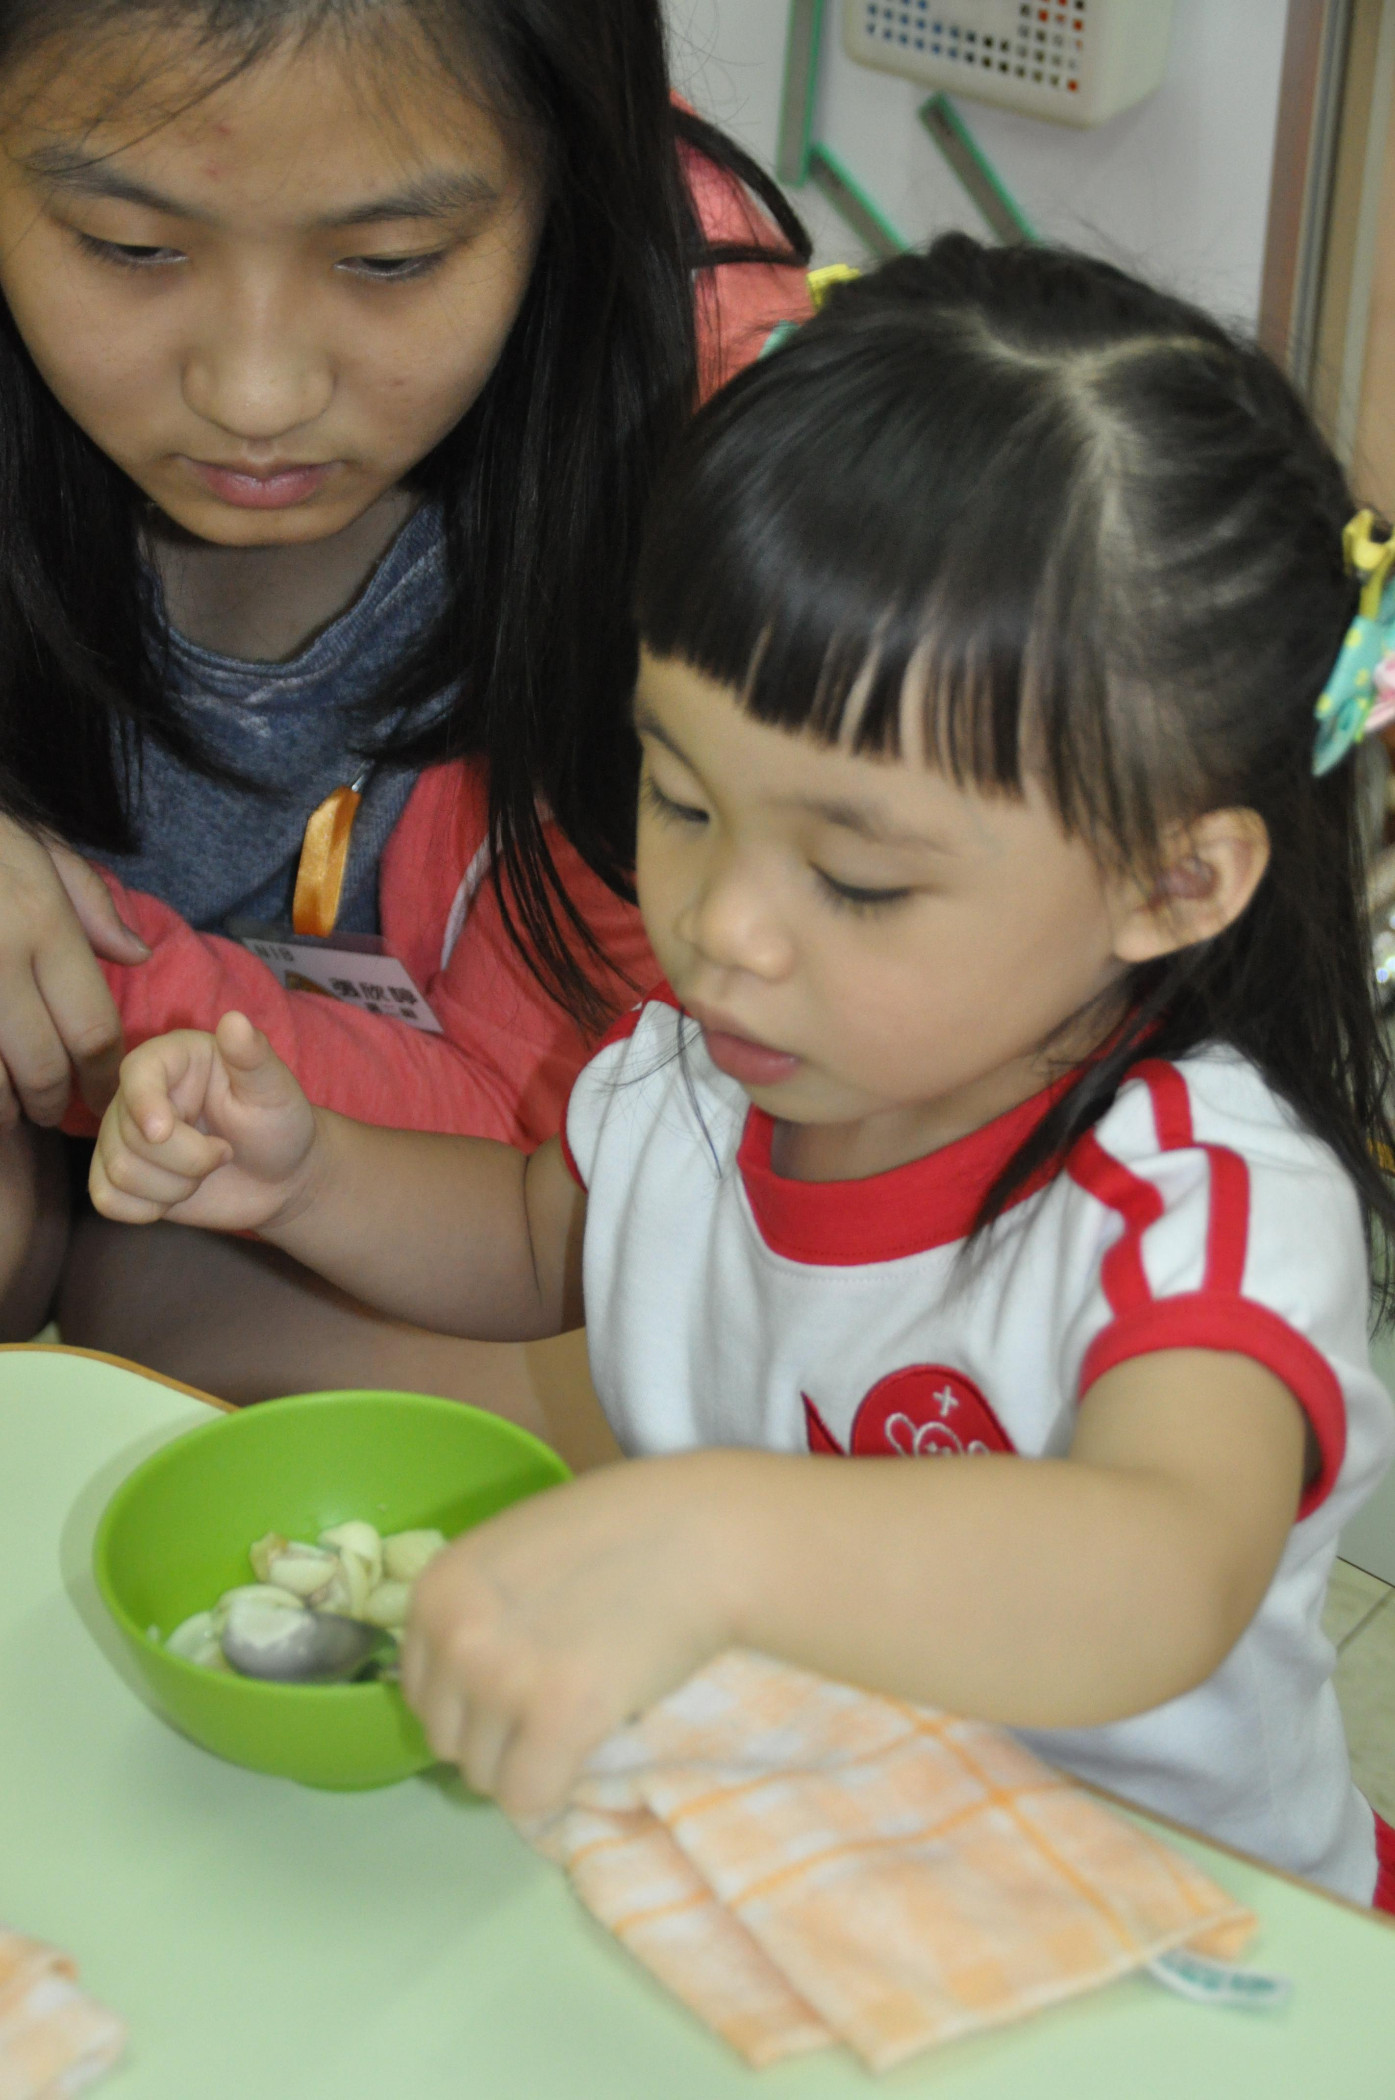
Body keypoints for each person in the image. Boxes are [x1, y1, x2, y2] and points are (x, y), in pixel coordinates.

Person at [90, 239, 1395, 1906]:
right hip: (813, 1871)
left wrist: (711, 1538)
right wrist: (309, 1177)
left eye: (858, 879)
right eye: (683, 800)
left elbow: (1163, 1572)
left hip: (1179, 1933)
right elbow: (542, 1235)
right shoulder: (710, 1074)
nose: (722, 929)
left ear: (1172, 880)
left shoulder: (1200, 1204)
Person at [0, 0, 810, 1430]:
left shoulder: (713, 482)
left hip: (390, 1180)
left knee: (612, 1408)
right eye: (128, 247)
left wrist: (113, 999)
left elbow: (552, 1150)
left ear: (565, 183)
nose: (256, 394)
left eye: (390, 262)